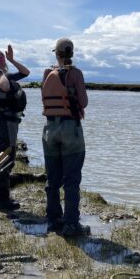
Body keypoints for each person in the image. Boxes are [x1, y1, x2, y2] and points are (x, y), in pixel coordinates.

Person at [41, 38, 89, 237]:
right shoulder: (75, 74)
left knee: (52, 179)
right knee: (71, 180)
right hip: (71, 130)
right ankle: (71, 224)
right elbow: (84, 102)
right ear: (72, 53)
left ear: (56, 53)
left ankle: (53, 221)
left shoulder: (46, 73)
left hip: (50, 129)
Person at [0, 45, 29, 210]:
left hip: (11, 122)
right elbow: (4, 87)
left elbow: (26, 73)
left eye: (1, 58)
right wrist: (1, 71)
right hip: (4, 123)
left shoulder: (5, 75)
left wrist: (11, 60)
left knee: (4, 160)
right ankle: (2, 199)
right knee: (5, 160)